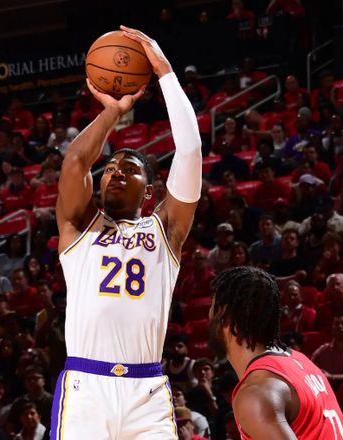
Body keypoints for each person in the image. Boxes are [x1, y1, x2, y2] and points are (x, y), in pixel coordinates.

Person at [52, 25, 201, 439]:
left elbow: (190, 150)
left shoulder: (166, 229)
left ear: (149, 191)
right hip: (86, 386)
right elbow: (75, 164)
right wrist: (113, 112)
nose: (115, 171)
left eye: (130, 168)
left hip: (146, 392)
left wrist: (165, 72)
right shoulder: (78, 225)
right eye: (111, 167)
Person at [208, 267, 343, 439]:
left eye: (212, 308)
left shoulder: (257, 392)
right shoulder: (300, 360)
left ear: (226, 318)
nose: (208, 316)